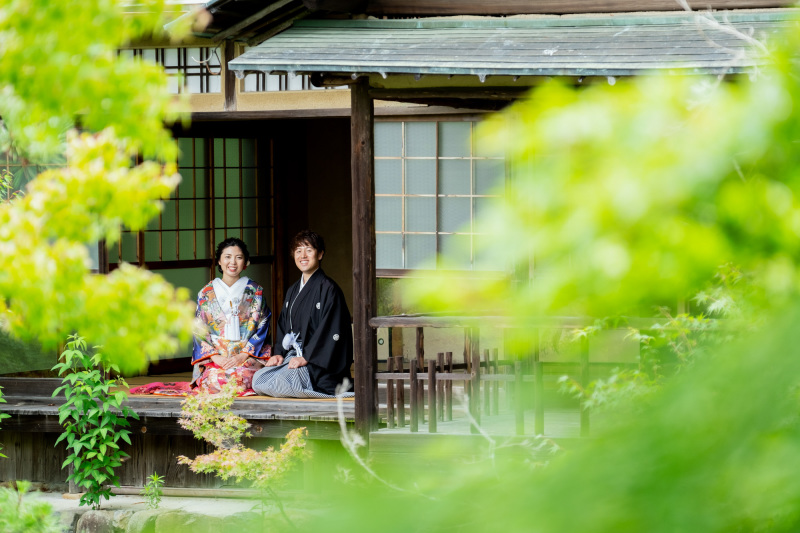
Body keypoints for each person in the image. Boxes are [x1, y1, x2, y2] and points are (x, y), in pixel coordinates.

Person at [252, 230, 353, 398]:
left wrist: (307, 357)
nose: (303, 255)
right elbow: (284, 325)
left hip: (317, 364)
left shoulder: (329, 289)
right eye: (298, 251)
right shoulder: (293, 290)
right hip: (293, 357)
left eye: (309, 250)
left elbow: (331, 330)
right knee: (259, 379)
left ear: (320, 254)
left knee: (280, 383)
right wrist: (278, 353)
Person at [192, 237, 272, 396]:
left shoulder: (255, 291)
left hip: (246, 357)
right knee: (214, 380)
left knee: (239, 380)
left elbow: (263, 324)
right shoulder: (206, 293)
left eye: (239, 257)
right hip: (216, 358)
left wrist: (243, 355)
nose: (233, 262)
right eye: (227, 257)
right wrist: (215, 357)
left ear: (246, 262)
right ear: (219, 261)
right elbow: (199, 328)